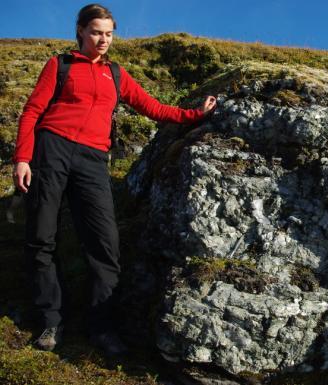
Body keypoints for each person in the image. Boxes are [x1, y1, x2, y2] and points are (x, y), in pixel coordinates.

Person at [12, 3, 217, 355]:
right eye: (96, 32)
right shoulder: (59, 65)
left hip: (93, 158)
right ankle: (51, 320)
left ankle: (100, 326)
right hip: (52, 149)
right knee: (41, 237)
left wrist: (194, 115)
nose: (103, 39)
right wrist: (22, 158)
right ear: (80, 32)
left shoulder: (117, 75)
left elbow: (152, 107)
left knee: (105, 244)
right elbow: (32, 111)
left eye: (108, 33)